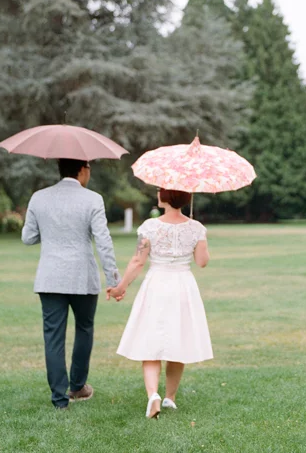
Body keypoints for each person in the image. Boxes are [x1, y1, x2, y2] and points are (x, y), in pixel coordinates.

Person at [22, 158, 120, 409]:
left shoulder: (39, 197)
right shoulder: (93, 199)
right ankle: (77, 387)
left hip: (50, 277)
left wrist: (52, 232)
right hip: (82, 277)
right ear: (83, 169)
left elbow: (28, 237)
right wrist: (113, 279)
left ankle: (59, 398)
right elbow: (103, 241)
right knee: (84, 328)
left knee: (53, 336)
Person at [108, 188, 212, 418]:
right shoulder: (196, 228)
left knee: (151, 341)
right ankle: (169, 398)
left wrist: (120, 287)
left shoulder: (149, 227)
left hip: (157, 284)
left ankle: (153, 394)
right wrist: (199, 237)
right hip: (183, 285)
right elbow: (202, 261)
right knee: (178, 340)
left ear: (165, 197)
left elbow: (138, 261)